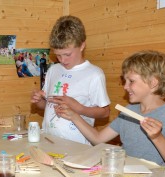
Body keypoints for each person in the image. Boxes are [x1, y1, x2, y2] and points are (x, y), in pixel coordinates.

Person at [55, 50, 165, 170]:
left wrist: (157, 137)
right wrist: (74, 116)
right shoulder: (129, 111)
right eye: (124, 81)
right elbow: (98, 139)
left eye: (131, 81)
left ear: (153, 83)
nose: (125, 86)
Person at [31, 15, 111, 145]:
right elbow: (47, 106)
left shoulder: (94, 74)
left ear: (82, 46)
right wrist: (39, 100)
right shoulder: (53, 70)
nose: (63, 60)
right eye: (58, 55)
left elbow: (105, 112)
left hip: (78, 145)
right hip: (49, 140)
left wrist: (78, 108)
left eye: (67, 54)